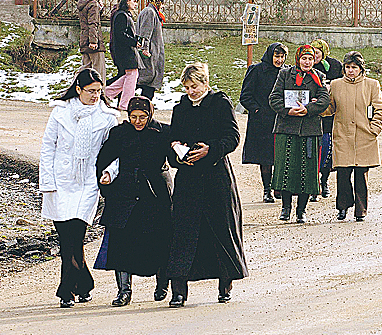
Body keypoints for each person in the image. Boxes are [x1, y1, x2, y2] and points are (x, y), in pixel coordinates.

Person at [166, 63, 248, 307]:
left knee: (220, 229)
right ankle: (178, 290)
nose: (191, 91)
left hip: (216, 178)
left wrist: (210, 150)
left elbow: (232, 137)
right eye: (187, 87)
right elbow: (172, 139)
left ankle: (225, 284)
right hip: (189, 178)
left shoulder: (220, 103)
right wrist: (177, 152)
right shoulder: (180, 108)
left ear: (205, 83)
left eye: (195, 86)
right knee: (183, 233)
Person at [39, 69, 119, 308]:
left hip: (87, 183)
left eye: (99, 91)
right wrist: (47, 182)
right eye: (91, 91)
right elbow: (47, 148)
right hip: (60, 181)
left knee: (75, 235)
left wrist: (109, 173)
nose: (96, 95)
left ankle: (66, 291)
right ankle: (84, 284)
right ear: (78, 89)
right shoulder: (60, 113)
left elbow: (115, 152)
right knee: (66, 237)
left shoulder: (107, 118)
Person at [94, 96, 173, 307]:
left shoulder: (162, 132)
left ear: (150, 115)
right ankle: (124, 291)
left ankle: (162, 283)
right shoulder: (119, 134)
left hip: (154, 193)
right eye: (133, 117)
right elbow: (104, 159)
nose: (138, 121)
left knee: (159, 241)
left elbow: (174, 159)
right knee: (121, 243)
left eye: (143, 117)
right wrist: (105, 181)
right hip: (125, 194)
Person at [269, 45, 330, 223]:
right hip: (286, 128)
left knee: (306, 171)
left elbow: (325, 99)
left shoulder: (318, 77)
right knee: (286, 170)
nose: (307, 62)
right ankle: (286, 208)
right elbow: (274, 98)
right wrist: (288, 111)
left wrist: (309, 108)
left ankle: (301, 210)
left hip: (309, 131)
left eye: (310, 59)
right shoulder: (285, 74)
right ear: (298, 59)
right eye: (304, 58)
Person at [325, 51, 382, 221]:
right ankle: (343, 207)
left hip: (364, 136)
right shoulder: (336, 85)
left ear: (361, 69)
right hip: (343, 135)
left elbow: (380, 110)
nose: (350, 71)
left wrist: (373, 129)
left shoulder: (372, 85)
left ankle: (361, 210)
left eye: (354, 67)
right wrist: (317, 105)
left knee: (361, 175)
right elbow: (330, 108)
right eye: (347, 67)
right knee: (342, 174)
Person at [240, 42, 288, 203]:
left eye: (282, 57)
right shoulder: (257, 70)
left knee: (281, 155)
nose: (279, 60)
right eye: (277, 56)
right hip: (262, 121)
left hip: (282, 119)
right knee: (265, 158)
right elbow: (245, 95)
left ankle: (278, 187)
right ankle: (267, 189)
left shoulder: (286, 72)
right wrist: (256, 110)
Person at [309, 39, 343, 202]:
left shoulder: (335, 66)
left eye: (317, 52)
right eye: (312, 52)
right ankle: (313, 184)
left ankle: (324, 181)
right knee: (312, 150)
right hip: (311, 113)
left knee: (327, 148)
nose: (314, 55)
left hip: (329, 114)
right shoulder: (307, 65)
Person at [106, 0, 141, 110]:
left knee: (129, 76)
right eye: (134, 1)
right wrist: (133, 41)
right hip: (124, 51)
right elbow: (120, 34)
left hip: (125, 50)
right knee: (131, 75)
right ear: (127, 1)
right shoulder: (121, 15)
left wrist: (135, 40)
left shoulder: (124, 14)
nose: (136, 4)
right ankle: (125, 103)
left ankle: (107, 93)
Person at [136, 0, 166, 100]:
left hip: (153, 51)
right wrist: (145, 48)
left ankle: (144, 106)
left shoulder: (151, 12)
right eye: (162, 4)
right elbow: (145, 32)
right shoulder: (150, 12)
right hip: (150, 52)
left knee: (149, 82)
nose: (162, 7)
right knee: (147, 79)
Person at [77, 0, 106, 86]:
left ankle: (76, 87)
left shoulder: (83, 1)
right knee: (99, 70)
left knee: (85, 68)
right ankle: (101, 94)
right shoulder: (93, 3)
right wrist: (93, 41)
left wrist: (100, 9)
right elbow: (93, 23)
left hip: (84, 38)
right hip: (92, 40)